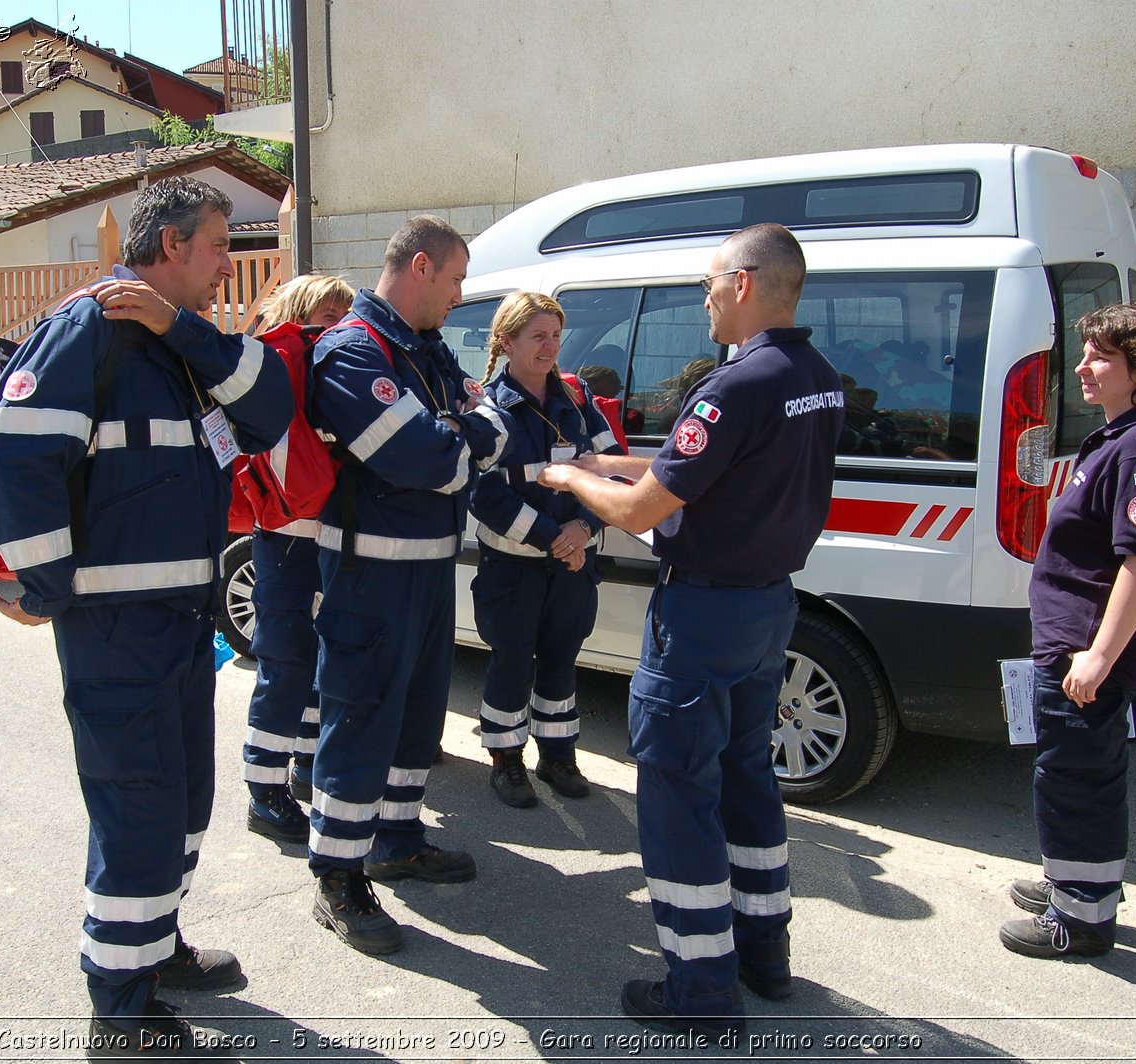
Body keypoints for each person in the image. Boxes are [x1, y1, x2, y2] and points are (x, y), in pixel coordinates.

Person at [0, 176, 290, 1057]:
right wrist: (45, 587)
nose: (230, 264)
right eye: (221, 246)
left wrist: (180, 326)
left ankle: (157, 950)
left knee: (186, 800)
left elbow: (270, 412)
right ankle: (121, 1010)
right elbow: (12, 455)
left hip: (183, 625)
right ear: (171, 247)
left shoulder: (175, 341)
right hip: (118, 629)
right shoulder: (89, 331)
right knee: (138, 808)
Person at [539, 223, 843, 1036]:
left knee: (677, 790)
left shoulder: (733, 386)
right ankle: (763, 955)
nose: (703, 299)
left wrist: (570, 474)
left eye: (709, 285)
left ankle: (701, 991)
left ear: (745, 284)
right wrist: (615, 461)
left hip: (704, 614)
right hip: (767, 607)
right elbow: (702, 468)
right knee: (748, 778)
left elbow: (645, 512)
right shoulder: (814, 375)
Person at [306, 215, 507, 955]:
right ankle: (337, 874)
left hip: (424, 567)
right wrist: (466, 436)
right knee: (360, 721)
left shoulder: (420, 352)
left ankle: (395, 839)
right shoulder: (354, 351)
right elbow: (431, 458)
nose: (460, 297)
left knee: (415, 722)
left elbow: (490, 421)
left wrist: (465, 431)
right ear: (421, 267)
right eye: (455, 280)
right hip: (369, 573)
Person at [1001, 304, 1136, 960]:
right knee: (1079, 770)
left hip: (1087, 646)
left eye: (1099, 356)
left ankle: (1078, 921)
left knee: (1076, 775)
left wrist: (1099, 657)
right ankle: (1077, 884)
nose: (1081, 366)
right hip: (1074, 637)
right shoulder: (1119, 435)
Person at [468, 291, 623, 808]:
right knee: (511, 661)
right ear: (505, 342)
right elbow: (482, 491)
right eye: (537, 336)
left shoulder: (578, 402)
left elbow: (614, 470)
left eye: (555, 335)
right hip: (514, 566)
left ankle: (558, 755)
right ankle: (506, 760)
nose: (550, 346)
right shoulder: (488, 411)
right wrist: (552, 538)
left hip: (574, 561)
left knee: (561, 658)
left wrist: (584, 526)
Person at [239, 273, 355, 845]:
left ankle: (307, 766)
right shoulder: (277, 362)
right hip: (287, 534)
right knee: (285, 661)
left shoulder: (333, 362)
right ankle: (263, 790)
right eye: (325, 313)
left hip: (329, 533)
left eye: (342, 314)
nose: (335, 324)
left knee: (320, 655)